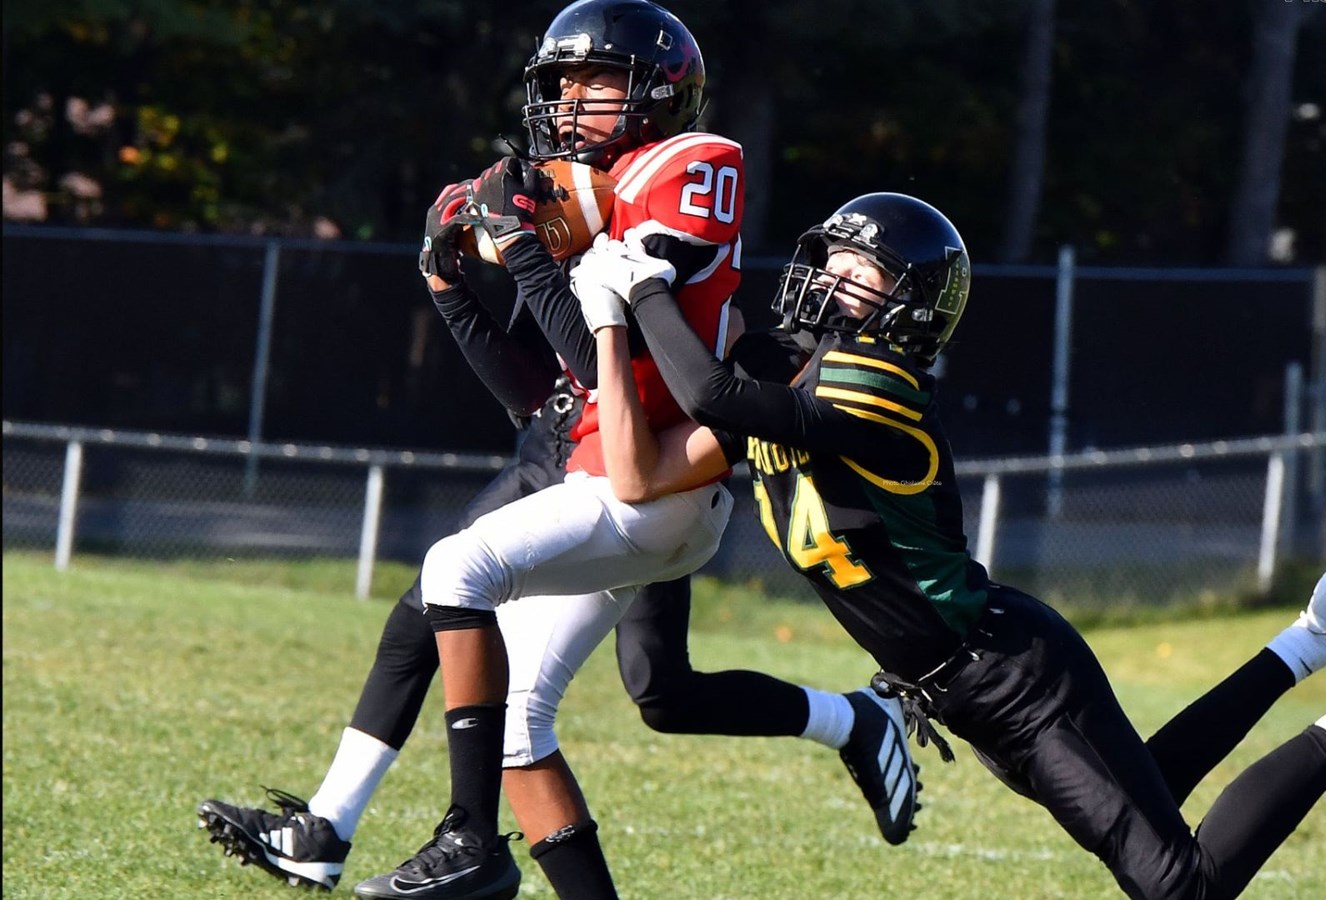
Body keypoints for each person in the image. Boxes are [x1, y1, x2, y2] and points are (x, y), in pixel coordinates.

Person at [566, 191, 1326, 900]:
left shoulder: (877, 382)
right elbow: (682, 389)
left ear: (909, 306)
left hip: (1006, 675)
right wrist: (630, 278)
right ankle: (1317, 634)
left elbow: (713, 395)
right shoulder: (799, 362)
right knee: (1153, 786)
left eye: (865, 273)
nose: (834, 280)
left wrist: (639, 289)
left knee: (1179, 886)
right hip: (979, 673)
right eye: (834, 261)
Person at [196, 3, 917, 896]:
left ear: (656, 91)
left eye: (595, 81)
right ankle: (391, 837)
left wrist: (529, 249)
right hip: (608, 471)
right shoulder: (598, 191)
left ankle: (461, 838)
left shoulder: (691, 165)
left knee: (461, 578)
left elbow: (613, 353)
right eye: (562, 83)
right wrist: (452, 281)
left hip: (649, 483)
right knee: (528, 720)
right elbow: (551, 390)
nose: (571, 101)